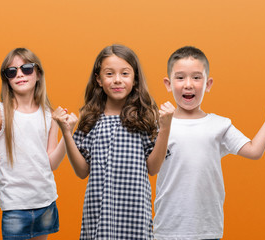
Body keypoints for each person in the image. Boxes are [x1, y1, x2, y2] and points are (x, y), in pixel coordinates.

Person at [154, 46, 265, 240]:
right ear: (168, 83)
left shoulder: (219, 125)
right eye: (180, 77)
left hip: (207, 228)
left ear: (208, 84)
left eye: (197, 77)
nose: (188, 84)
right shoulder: (159, 124)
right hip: (166, 228)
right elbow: (147, 164)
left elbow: (254, 150)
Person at [52, 44, 174, 240]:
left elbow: (153, 168)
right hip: (99, 216)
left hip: (135, 216)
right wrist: (66, 133)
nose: (117, 80)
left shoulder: (144, 118)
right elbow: (82, 172)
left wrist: (165, 128)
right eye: (109, 74)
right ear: (99, 80)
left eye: (125, 73)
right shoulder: (90, 120)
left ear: (134, 80)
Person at [0, 48, 71, 240]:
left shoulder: (49, 114)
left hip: (45, 200)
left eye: (26, 68)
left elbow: (52, 163)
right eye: (12, 71)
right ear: (6, 78)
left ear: (38, 73)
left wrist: (67, 132)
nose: (20, 75)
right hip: (15, 203)